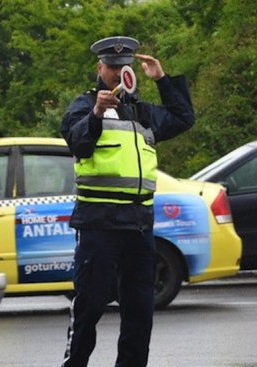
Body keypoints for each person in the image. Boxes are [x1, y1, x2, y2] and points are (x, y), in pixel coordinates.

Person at [59, 36, 195, 367]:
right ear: (100, 68)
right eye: (113, 67)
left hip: (139, 224)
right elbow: (77, 142)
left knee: (139, 311)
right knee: (89, 305)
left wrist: (162, 79)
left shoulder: (141, 112)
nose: (120, 73)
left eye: (126, 67)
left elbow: (182, 117)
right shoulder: (83, 105)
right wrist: (95, 113)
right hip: (99, 224)